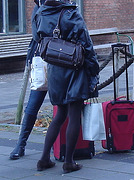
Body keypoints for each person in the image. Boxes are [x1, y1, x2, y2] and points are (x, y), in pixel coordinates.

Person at [33, 0, 99, 173]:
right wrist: (94, 71)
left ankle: (44, 158)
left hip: (55, 68)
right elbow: (87, 44)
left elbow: (37, 38)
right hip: (74, 67)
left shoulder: (41, 13)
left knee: (60, 114)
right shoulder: (71, 13)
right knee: (74, 115)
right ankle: (69, 162)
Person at [9, 0, 47, 160]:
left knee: (65, 106)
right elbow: (38, 34)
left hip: (60, 61)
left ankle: (67, 145)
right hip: (43, 59)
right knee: (33, 104)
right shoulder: (40, 9)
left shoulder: (60, 6)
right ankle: (20, 144)